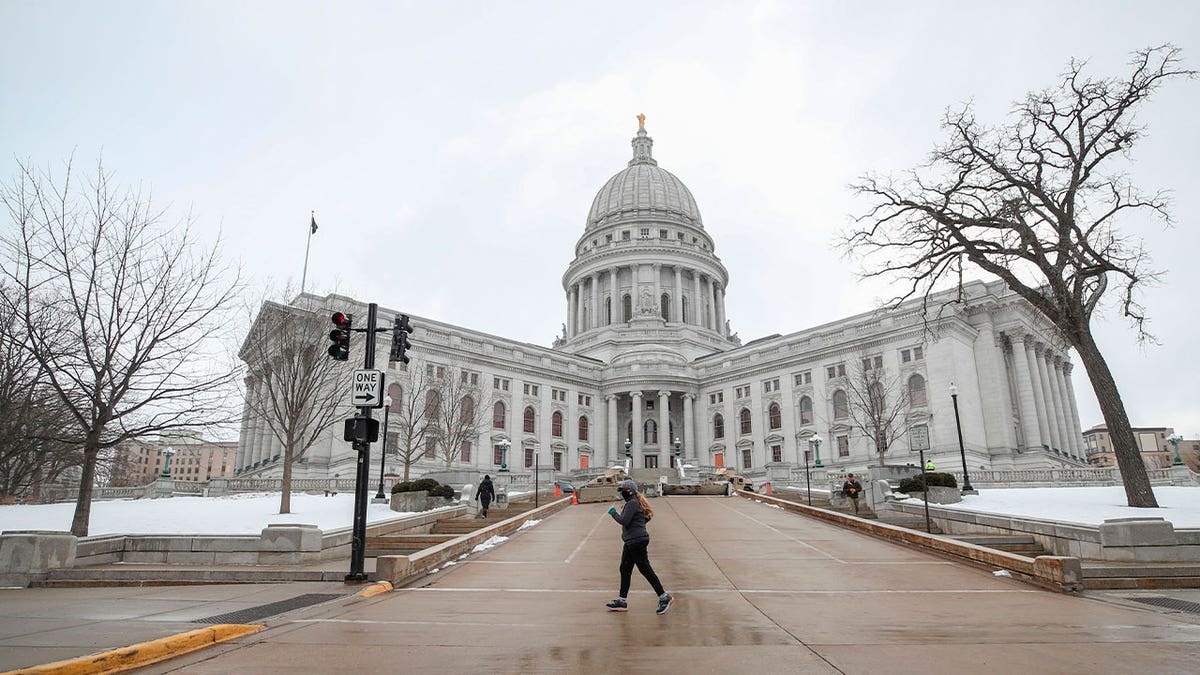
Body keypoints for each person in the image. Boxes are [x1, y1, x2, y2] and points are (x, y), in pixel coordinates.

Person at [605, 480, 673, 615]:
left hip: (636, 541)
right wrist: (639, 525)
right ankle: (622, 600)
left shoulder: (632, 503)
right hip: (633, 540)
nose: (621, 493)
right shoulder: (635, 502)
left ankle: (664, 597)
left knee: (645, 569)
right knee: (625, 568)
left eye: (622, 490)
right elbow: (647, 517)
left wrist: (613, 513)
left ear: (629, 491)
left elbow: (624, 521)